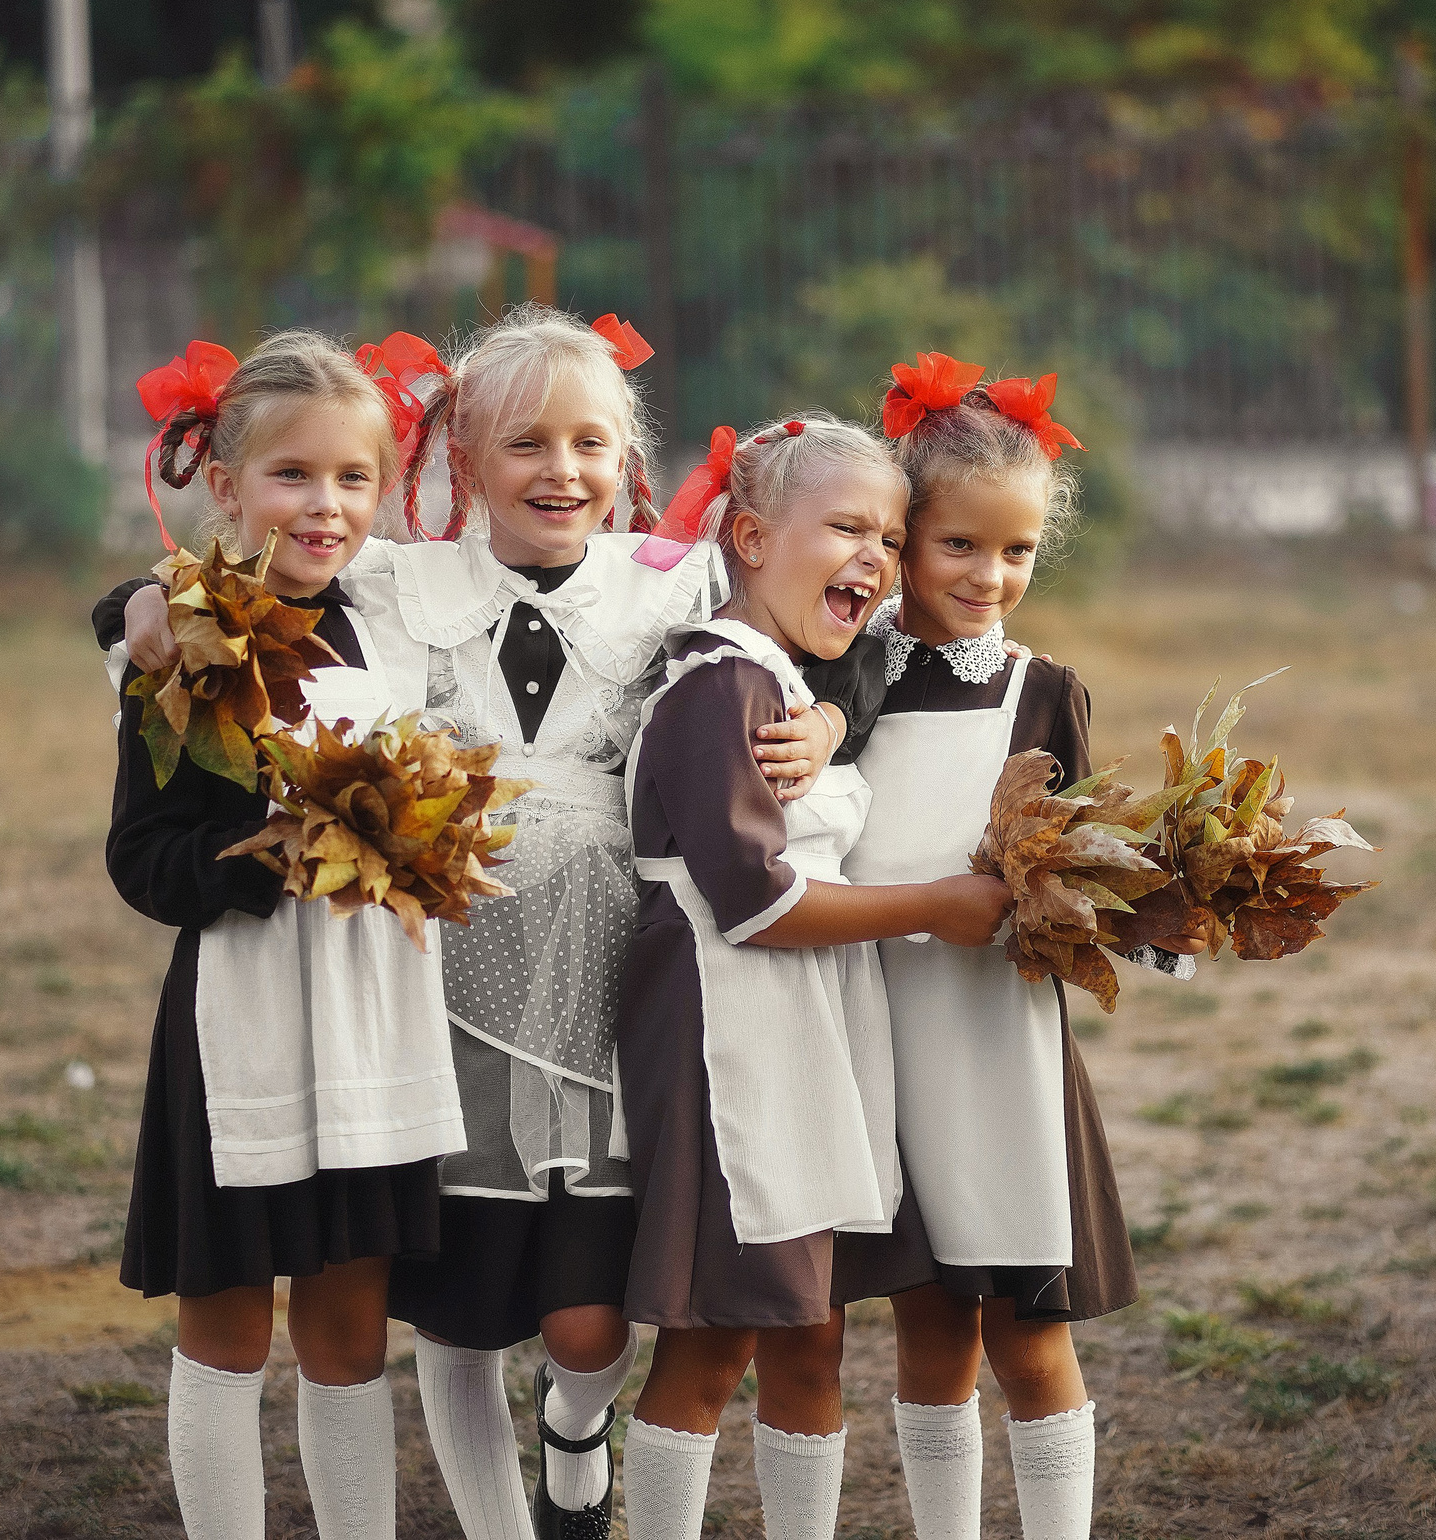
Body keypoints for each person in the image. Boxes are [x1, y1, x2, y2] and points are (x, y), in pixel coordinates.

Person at [101, 306, 861, 1540]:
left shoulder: (680, 586)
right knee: (443, 1308)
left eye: (589, 445)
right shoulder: (393, 586)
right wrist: (139, 604)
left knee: (568, 1314)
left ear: (628, 459)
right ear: (457, 460)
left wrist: (821, 715)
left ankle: (575, 1442)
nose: (560, 471)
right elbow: (214, 597)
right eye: (523, 445)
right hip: (418, 990)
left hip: (593, 977)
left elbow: (819, 630)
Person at [612, 414, 1012, 1540]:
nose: (877, 559)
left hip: (807, 1039)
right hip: (729, 1044)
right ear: (746, 534)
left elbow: (895, 649)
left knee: (810, 1329)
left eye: (889, 534)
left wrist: (836, 710)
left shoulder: (797, 679)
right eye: (846, 527)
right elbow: (755, 900)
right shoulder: (716, 687)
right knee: (714, 1340)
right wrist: (937, 907)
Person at [834, 354, 1207, 1540]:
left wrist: (1160, 923)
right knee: (928, 1325)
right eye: (958, 548)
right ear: (901, 539)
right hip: (875, 1031)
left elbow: (1089, 854)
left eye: (1017, 553)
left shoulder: (1044, 690)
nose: (990, 577)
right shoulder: (840, 680)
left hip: (997, 1047)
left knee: (1027, 1331)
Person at [106, 328, 461, 1540]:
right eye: (292, 475)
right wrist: (271, 857)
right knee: (224, 1328)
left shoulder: (394, 619)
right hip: (241, 1028)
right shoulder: (180, 648)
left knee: (350, 1331)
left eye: (353, 478)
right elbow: (140, 858)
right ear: (225, 480)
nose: (326, 505)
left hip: (373, 1019)